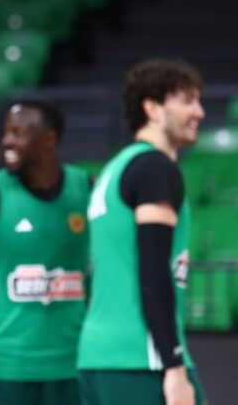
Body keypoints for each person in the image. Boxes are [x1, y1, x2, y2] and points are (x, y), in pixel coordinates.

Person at [77, 59, 207, 405]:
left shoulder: (115, 168)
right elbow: (153, 273)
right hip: (141, 359)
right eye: (188, 100)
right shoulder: (154, 168)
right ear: (152, 108)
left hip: (97, 357)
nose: (199, 112)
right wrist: (174, 366)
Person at [0, 99, 91, 405]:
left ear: (49, 139)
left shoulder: (87, 189)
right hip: (9, 365)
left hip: (75, 363)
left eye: (19, 133)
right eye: (6, 132)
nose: (6, 142)